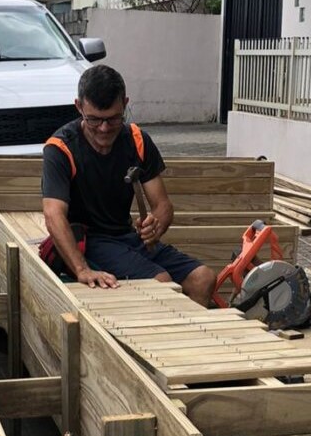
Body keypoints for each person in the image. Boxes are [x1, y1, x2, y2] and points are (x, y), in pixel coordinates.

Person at [41, 65, 215, 307]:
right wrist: (81, 269)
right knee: (162, 284)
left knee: (203, 279)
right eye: (94, 120)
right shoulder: (61, 148)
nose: (103, 128)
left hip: (127, 237)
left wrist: (157, 225)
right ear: (79, 107)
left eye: (113, 119)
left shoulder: (137, 141)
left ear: (125, 103)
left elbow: (163, 205)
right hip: (89, 240)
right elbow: (53, 215)